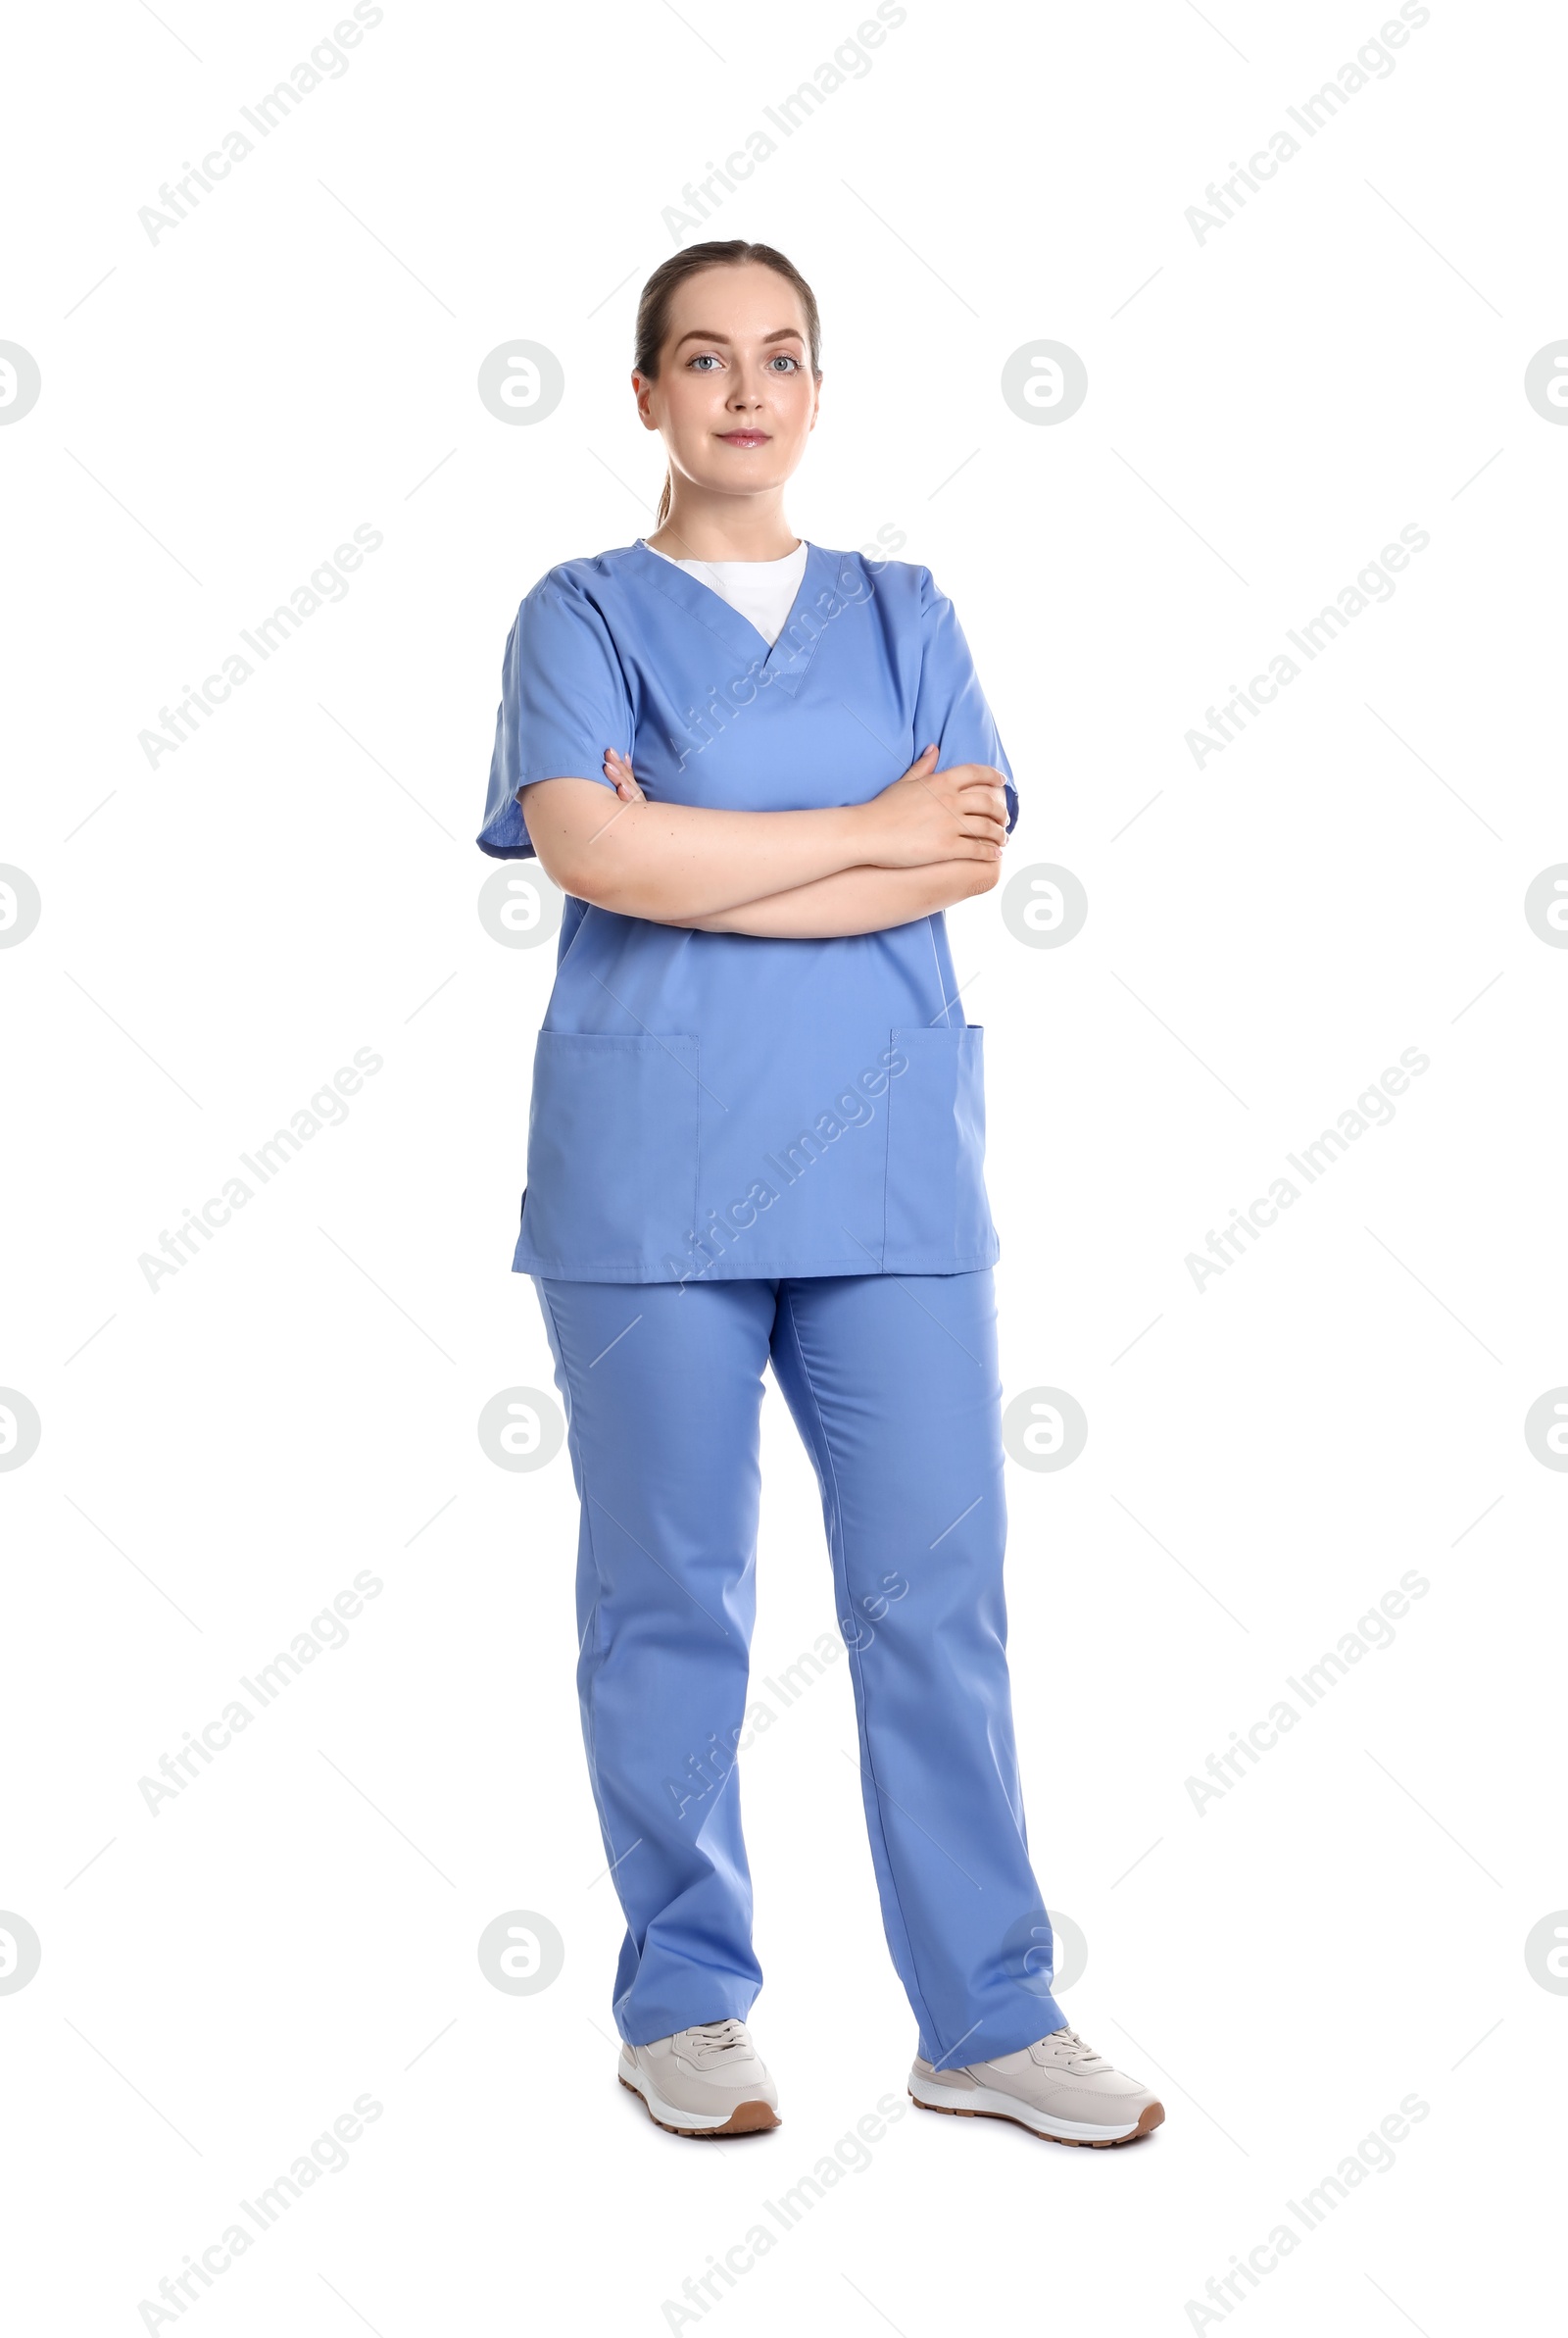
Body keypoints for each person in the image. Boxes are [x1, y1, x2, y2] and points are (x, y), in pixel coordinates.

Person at [476, 239, 1163, 2150]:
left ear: (815, 388)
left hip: (883, 1171)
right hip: (647, 1184)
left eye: (780, 357)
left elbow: (963, 855)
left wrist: (738, 854)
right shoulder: (580, 612)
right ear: (643, 395)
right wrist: (856, 828)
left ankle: (988, 2014)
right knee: (667, 1597)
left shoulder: (903, 606)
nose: (744, 390)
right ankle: (685, 1998)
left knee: (935, 1598)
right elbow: (594, 852)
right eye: (702, 358)